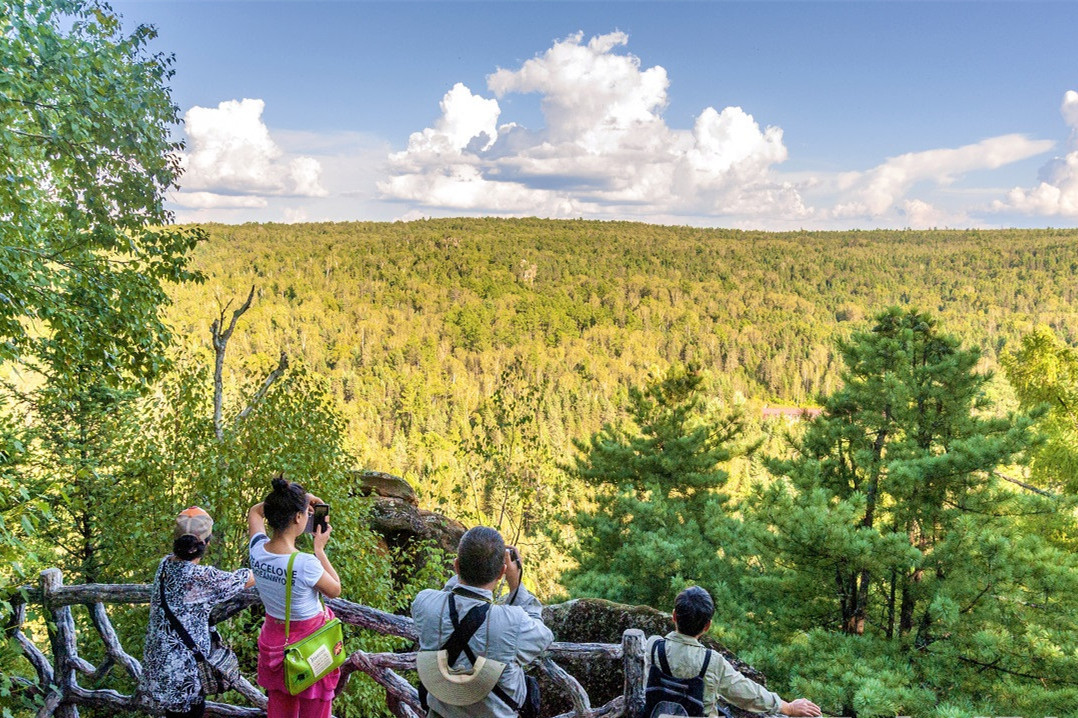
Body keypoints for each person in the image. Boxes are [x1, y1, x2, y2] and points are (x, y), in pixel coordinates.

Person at [412, 526, 553, 718]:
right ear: (502, 572)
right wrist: (516, 586)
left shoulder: (424, 603)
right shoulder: (513, 622)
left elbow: (448, 597)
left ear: (456, 566)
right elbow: (543, 636)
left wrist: (466, 569)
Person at [140, 507, 255, 718]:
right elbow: (245, 579)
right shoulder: (199, 576)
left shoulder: (164, 565)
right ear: (206, 543)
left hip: (160, 667)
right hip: (184, 675)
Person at [644, 587, 821, 718]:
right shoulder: (711, 661)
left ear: (674, 616)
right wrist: (789, 708)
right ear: (707, 626)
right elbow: (747, 694)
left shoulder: (653, 646)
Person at [248, 476, 342, 718]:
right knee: (315, 707)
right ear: (299, 518)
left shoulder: (257, 549)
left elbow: (255, 512)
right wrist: (319, 550)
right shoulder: (305, 563)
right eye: (304, 512)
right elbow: (335, 590)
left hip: (274, 641)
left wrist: (297, 500)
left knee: (280, 705)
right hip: (309, 646)